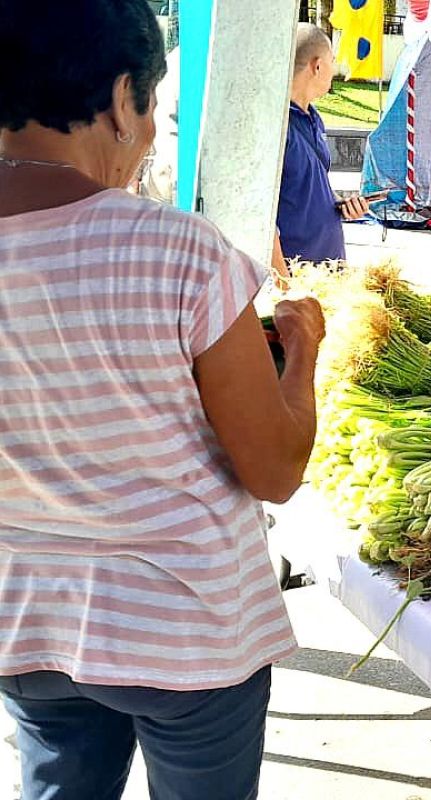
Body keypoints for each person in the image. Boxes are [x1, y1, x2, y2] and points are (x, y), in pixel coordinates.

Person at [0, 2, 325, 798]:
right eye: (150, 108)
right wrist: (303, 350)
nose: (147, 137)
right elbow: (275, 469)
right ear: (120, 100)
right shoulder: (179, 252)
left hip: (25, 619)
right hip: (187, 637)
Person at [273, 24, 369, 271]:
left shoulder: (314, 118)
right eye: (332, 61)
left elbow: (310, 186)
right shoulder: (276, 127)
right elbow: (261, 215)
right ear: (317, 66)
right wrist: (285, 285)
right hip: (296, 275)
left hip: (328, 271)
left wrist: (342, 204)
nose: (334, 69)